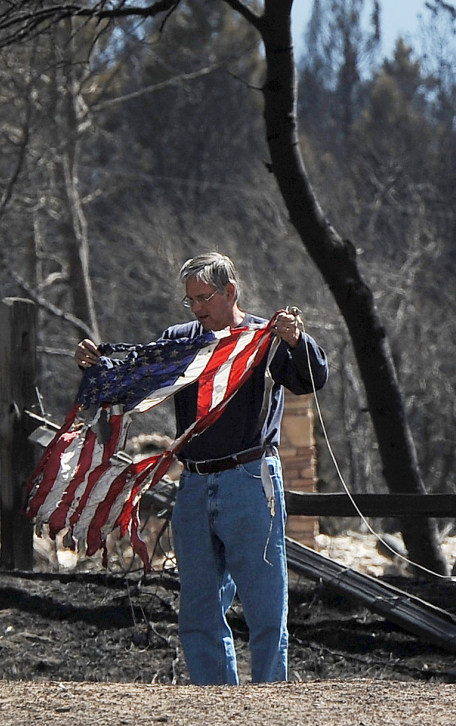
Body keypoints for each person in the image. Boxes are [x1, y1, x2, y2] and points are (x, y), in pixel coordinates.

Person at [74, 252, 328, 684]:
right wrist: (96, 367)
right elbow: (138, 379)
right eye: (189, 300)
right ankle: (214, 700)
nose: (196, 308)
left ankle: (271, 698)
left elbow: (310, 378)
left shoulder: (263, 339)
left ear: (231, 291)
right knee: (198, 605)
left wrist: (296, 341)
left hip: (250, 479)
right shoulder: (181, 340)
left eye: (204, 298)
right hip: (193, 481)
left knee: (265, 602)